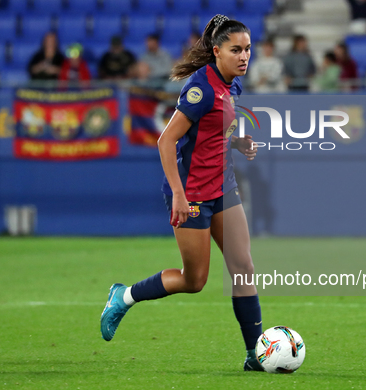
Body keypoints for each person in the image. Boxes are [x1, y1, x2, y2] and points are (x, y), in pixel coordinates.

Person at [100, 14, 264, 372]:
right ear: (217, 51)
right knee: (195, 280)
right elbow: (166, 140)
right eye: (236, 50)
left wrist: (236, 142)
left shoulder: (232, 85)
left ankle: (257, 355)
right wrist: (178, 194)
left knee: (243, 268)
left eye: (248, 49)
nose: (244, 56)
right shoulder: (200, 88)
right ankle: (123, 296)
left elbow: (210, 134)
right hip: (191, 194)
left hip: (224, 186)